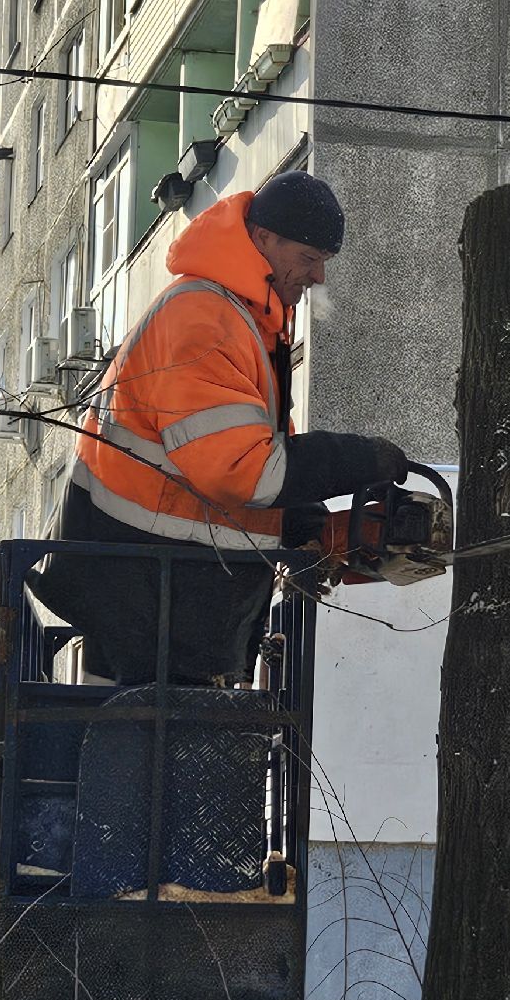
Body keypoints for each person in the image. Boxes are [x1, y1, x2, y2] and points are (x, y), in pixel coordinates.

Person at [30, 170, 404, 687]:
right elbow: (242, 472)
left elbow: (241, 454)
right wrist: (360, 459)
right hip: (151, 595)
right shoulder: (204, 319)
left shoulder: (241, 321)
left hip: (161, 594)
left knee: (137, 731)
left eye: (323, 261)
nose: (317, 276)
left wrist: (312, 527)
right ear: (263, 239)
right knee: (145, 733)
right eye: (308, 257)